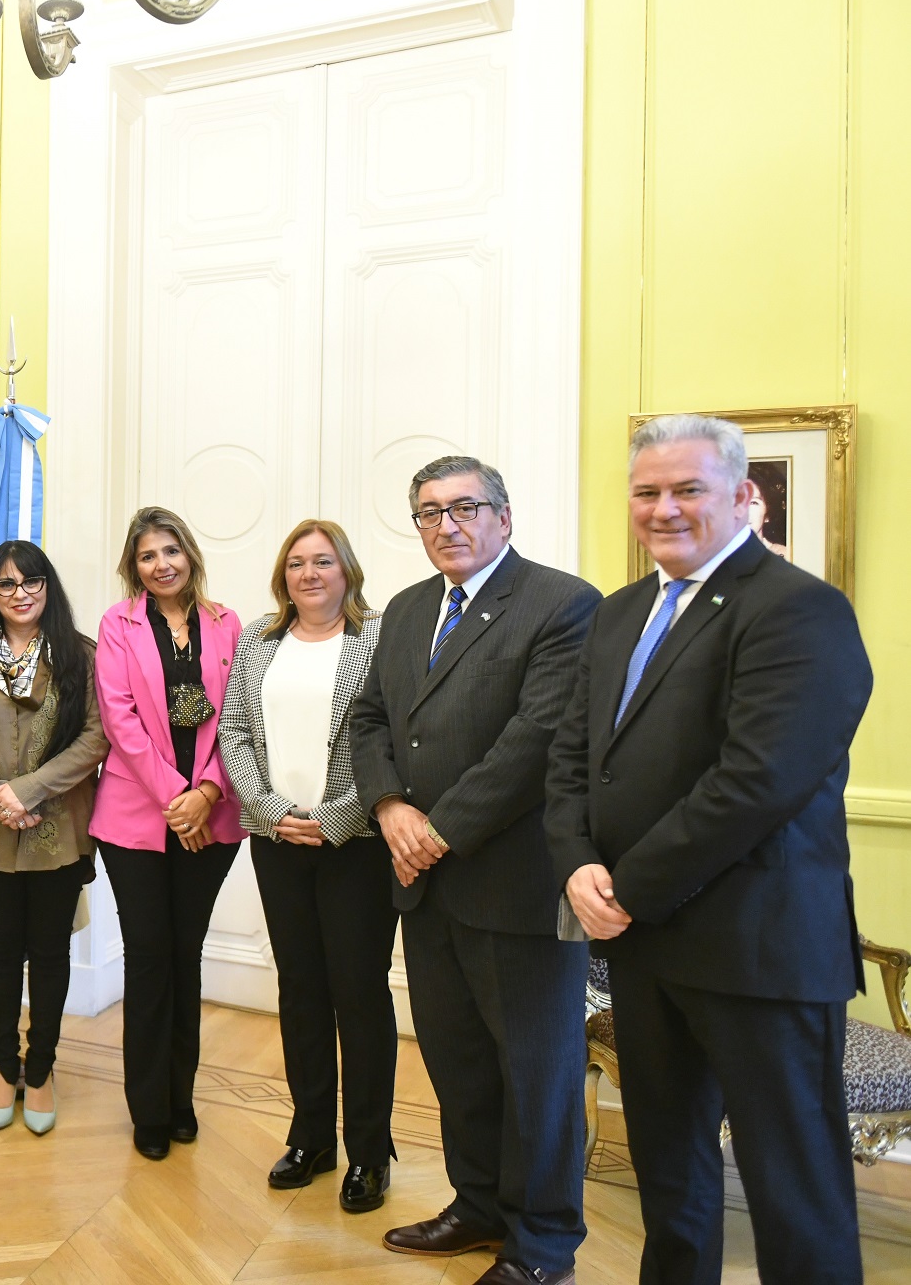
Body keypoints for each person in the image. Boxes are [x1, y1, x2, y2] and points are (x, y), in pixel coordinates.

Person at [548, 415, 872, 1285]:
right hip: (646, 946)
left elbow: (756, 784)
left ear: (744, 497)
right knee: (670, 1174)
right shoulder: (617, 615)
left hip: (760, 950)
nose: (665, 510)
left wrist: (626, 887)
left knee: (792, 1188)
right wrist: (576, 861)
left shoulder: (800, 608)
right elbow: (574, 758)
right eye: (648, 492)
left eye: (689, 489)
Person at [349, 456, 600, 1285]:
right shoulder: (409, 609)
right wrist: (388, 807)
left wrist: (439, 829)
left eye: (464, 508)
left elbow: (537, 741)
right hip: (426, 889)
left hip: (517, 887)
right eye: (428, 513)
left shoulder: (562, 603)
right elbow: (372, 717)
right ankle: (479, 1204)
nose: (446, 525)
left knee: (538, 1075)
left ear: (504, 515)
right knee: (457, 1060)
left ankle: (544, 1245)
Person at [220, 519, 396, 1211]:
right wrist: (266, 809)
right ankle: (312, 1137)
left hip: (355, 844)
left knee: (358, 992)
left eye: (324, 561)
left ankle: (370, 1151)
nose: (310, 574)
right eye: (297, 563)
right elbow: (235, 730)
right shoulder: (261, 639)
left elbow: (390, 738)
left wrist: (338, 817)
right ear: (282, 574)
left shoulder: (378, 639)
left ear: (346, 570)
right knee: (299, 989)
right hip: (277, 841)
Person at [88, 507, 243, 1162]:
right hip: (134, 819)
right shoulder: (117, 626)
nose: (162, 564)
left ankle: (182, 1099)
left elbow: (238, 714)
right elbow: (120, 721)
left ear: (190, 554)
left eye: (171, 550)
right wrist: (176, 796)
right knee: (149, 958)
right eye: (148, 555)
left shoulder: (227, 623)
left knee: (186, 954)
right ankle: (148, 1109)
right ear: (135, 565)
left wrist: (205, 792)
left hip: (215, 815)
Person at [0, 541, 107, 1137]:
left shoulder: (80, 657)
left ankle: (41, 1070)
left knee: (51, 954)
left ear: (47, 587)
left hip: (57, 832)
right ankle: (4, 1067)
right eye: (6, 585)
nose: (19, 594)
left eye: (30, 582)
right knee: (2, 953)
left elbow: (96, 738)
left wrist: (27, 790)